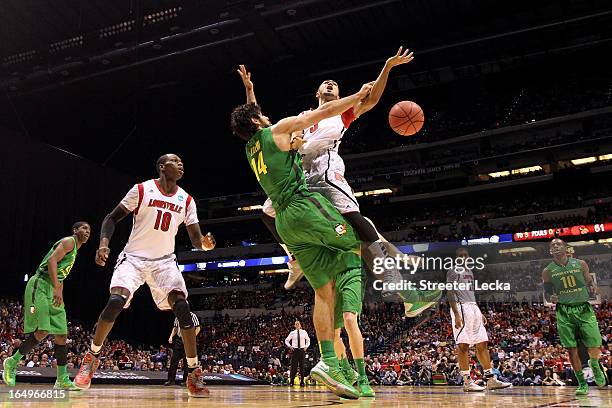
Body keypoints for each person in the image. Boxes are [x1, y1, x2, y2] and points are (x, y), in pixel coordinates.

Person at [237, 54, 441, 316]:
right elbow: (256, 125)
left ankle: (398, 284)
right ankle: (295, 260)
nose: (331, 84)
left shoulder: (343, 112)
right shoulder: (303, 115)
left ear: (339, 93)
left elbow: (373, 98)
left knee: (356, 221)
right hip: (298, 174)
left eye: (335, 84)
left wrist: (387, 67)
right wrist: (250, 90)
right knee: (267, 212)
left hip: (325, 169)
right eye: (326, 83)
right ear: (317, 92)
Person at [231, 83, 372, 399]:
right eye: (261, 114)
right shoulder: (277, 130)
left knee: (323, 290)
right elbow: (325, 112)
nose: (266, 115)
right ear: (257, 122)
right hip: (302, 207)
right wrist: (357, 97)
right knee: (354, 239)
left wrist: (250, 92)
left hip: (283, 222)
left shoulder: (250, 146)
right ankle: (338, 345)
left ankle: (328, 360)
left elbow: (251, 119)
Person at [73, 154, 216, 398]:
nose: (181, 164)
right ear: (162, 166)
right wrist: (103, 244)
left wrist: (204, 244)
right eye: (176, 161)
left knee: (183, 307)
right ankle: (92, 356)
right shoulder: (141, 190)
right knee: (116, 301)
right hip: (134, 259)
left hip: (165, 262)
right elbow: (111, 218)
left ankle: (194, 371)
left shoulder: (187, 200)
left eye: (182, 161)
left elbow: (195, 238)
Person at [2, 222, 91, 390]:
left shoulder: (74, 252)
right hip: (40, 285)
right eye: (84, 228)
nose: (87, 231)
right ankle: (11, 363)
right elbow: (51, 261)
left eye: (89, 230)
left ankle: (62, 379)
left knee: (62, 335)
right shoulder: (69, 241)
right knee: (42, 331)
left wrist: (60, 294)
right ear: (75, 230)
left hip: (53, 289)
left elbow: (60, 276)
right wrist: (56, 287)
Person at [542, 238, 606, 395]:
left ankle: (595, 363)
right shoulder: (547, 271)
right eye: (553, 245)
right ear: (551, 251)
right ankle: (582, 383)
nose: (556, 246)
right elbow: (548, 291)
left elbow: (589, 280)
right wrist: (551, 297)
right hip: (564, 311)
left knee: (594, 342)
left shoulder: (580, 264)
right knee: (571, 349)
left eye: (559, 244)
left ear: (566, 248)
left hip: (583, 307)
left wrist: (594, 286)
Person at [447, 247, 512, 392]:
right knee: (463, 346)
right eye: (460, 255)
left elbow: (470, 293)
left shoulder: (469, 272)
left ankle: (490, 380)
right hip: (461, 308)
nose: (463, 257)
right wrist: (457, 314)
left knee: (482, 344)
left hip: (473, 308)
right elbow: (450, 293)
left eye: (465, 255)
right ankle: (467, 381)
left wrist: (479, 311)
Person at [166, 311, 201, 386]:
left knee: (186, 362)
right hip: (179, 339)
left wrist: (192, 337)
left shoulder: (192, 316)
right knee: (174, 360)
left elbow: (198, 327)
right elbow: (175, 328)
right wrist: (171, 336)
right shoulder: (178, 316)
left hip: (189, 339)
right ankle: (171, 380)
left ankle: (186, 381)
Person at [284, 320, 310, 387]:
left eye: (298, 324)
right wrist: (290, 346)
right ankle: (291, 381)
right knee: (293, 367)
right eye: (296, 324)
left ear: (300, 325)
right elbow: (286, 340)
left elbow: (308, 340)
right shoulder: (292, 333)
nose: (297, 325)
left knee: (302, 367)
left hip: (302, 350)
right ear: (294, 325)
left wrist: (306, 347)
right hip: (295, 350)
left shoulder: (304, 332)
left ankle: (302, 381)